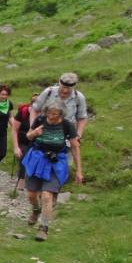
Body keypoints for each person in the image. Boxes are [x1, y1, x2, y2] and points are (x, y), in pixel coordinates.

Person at [21, 98, 83, 241]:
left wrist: (79, 170)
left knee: (47, 196)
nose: (51, 116)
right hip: (36, 159)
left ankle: (44, 228)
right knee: (31, 194)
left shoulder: (67, 125)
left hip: (55, 163)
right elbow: (28, 136)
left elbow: (74, 146)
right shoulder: (40, 120)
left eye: (55, 114)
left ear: (61, 113)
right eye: (49, 113)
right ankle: (36, 210)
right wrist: (35, 133)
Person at [32, 72, 88, 142]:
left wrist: (78, 136)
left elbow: (82, 118)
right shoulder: (48, 92)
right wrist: (32, 127)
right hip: (45, 131)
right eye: (63, 87)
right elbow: (35, 109)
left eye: (69, 88)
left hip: (67, 133)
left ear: (74, 86)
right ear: (59, 83)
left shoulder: (79, 97)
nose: (65, 91)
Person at [11, 92, 40, 194]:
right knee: (24, 157)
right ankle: (21, 179)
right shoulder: (23, 112)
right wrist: (16, 147)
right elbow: (14, 129)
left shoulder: (44, 115)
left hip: (38, 143)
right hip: (23, 142)